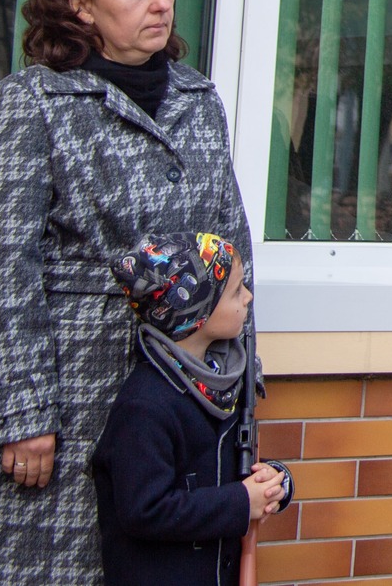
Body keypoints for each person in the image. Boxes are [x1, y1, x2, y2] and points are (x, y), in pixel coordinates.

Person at [0, 0, 253, 586]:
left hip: (183, 398)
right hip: (71, 396)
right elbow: (6, 270)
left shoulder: (198, 98)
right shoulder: (31, 102)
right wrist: (24, 413)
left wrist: (239, 384)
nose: (161, 2)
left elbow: (233, 250)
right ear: (80, 4)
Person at [92, 231, 291, 585]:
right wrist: (241, 504)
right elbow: (144, 509)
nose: (248, 298)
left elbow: (234, 471)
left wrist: (273, 482)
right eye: (235, 291)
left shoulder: (223, 383)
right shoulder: (145, 405)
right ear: (197, 311)